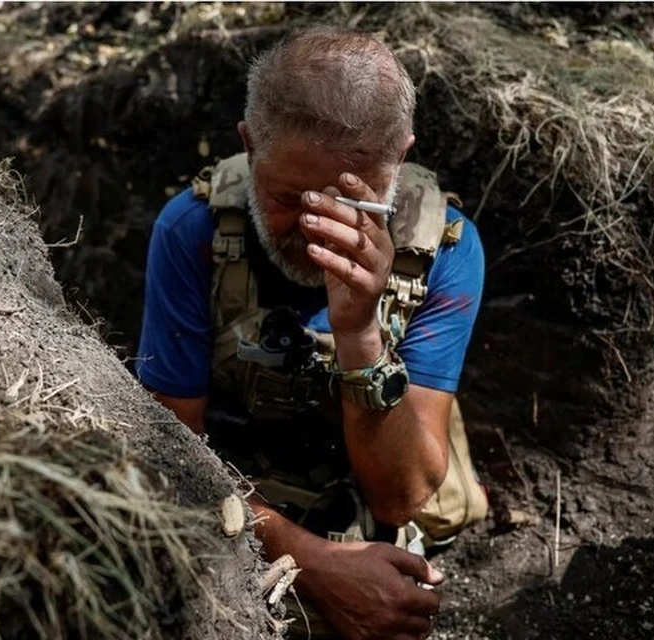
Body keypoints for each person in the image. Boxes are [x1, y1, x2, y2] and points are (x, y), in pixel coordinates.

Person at [136, 26, 487, 640]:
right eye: (290, 197)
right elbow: (173, 459)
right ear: (249, 146)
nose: (316, 227)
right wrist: (314, 565)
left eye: (355, 201)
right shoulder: (191, 230)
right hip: (230, 491)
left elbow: (400, 500)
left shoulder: (444, 252)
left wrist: (359, 333)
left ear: (399, 158)